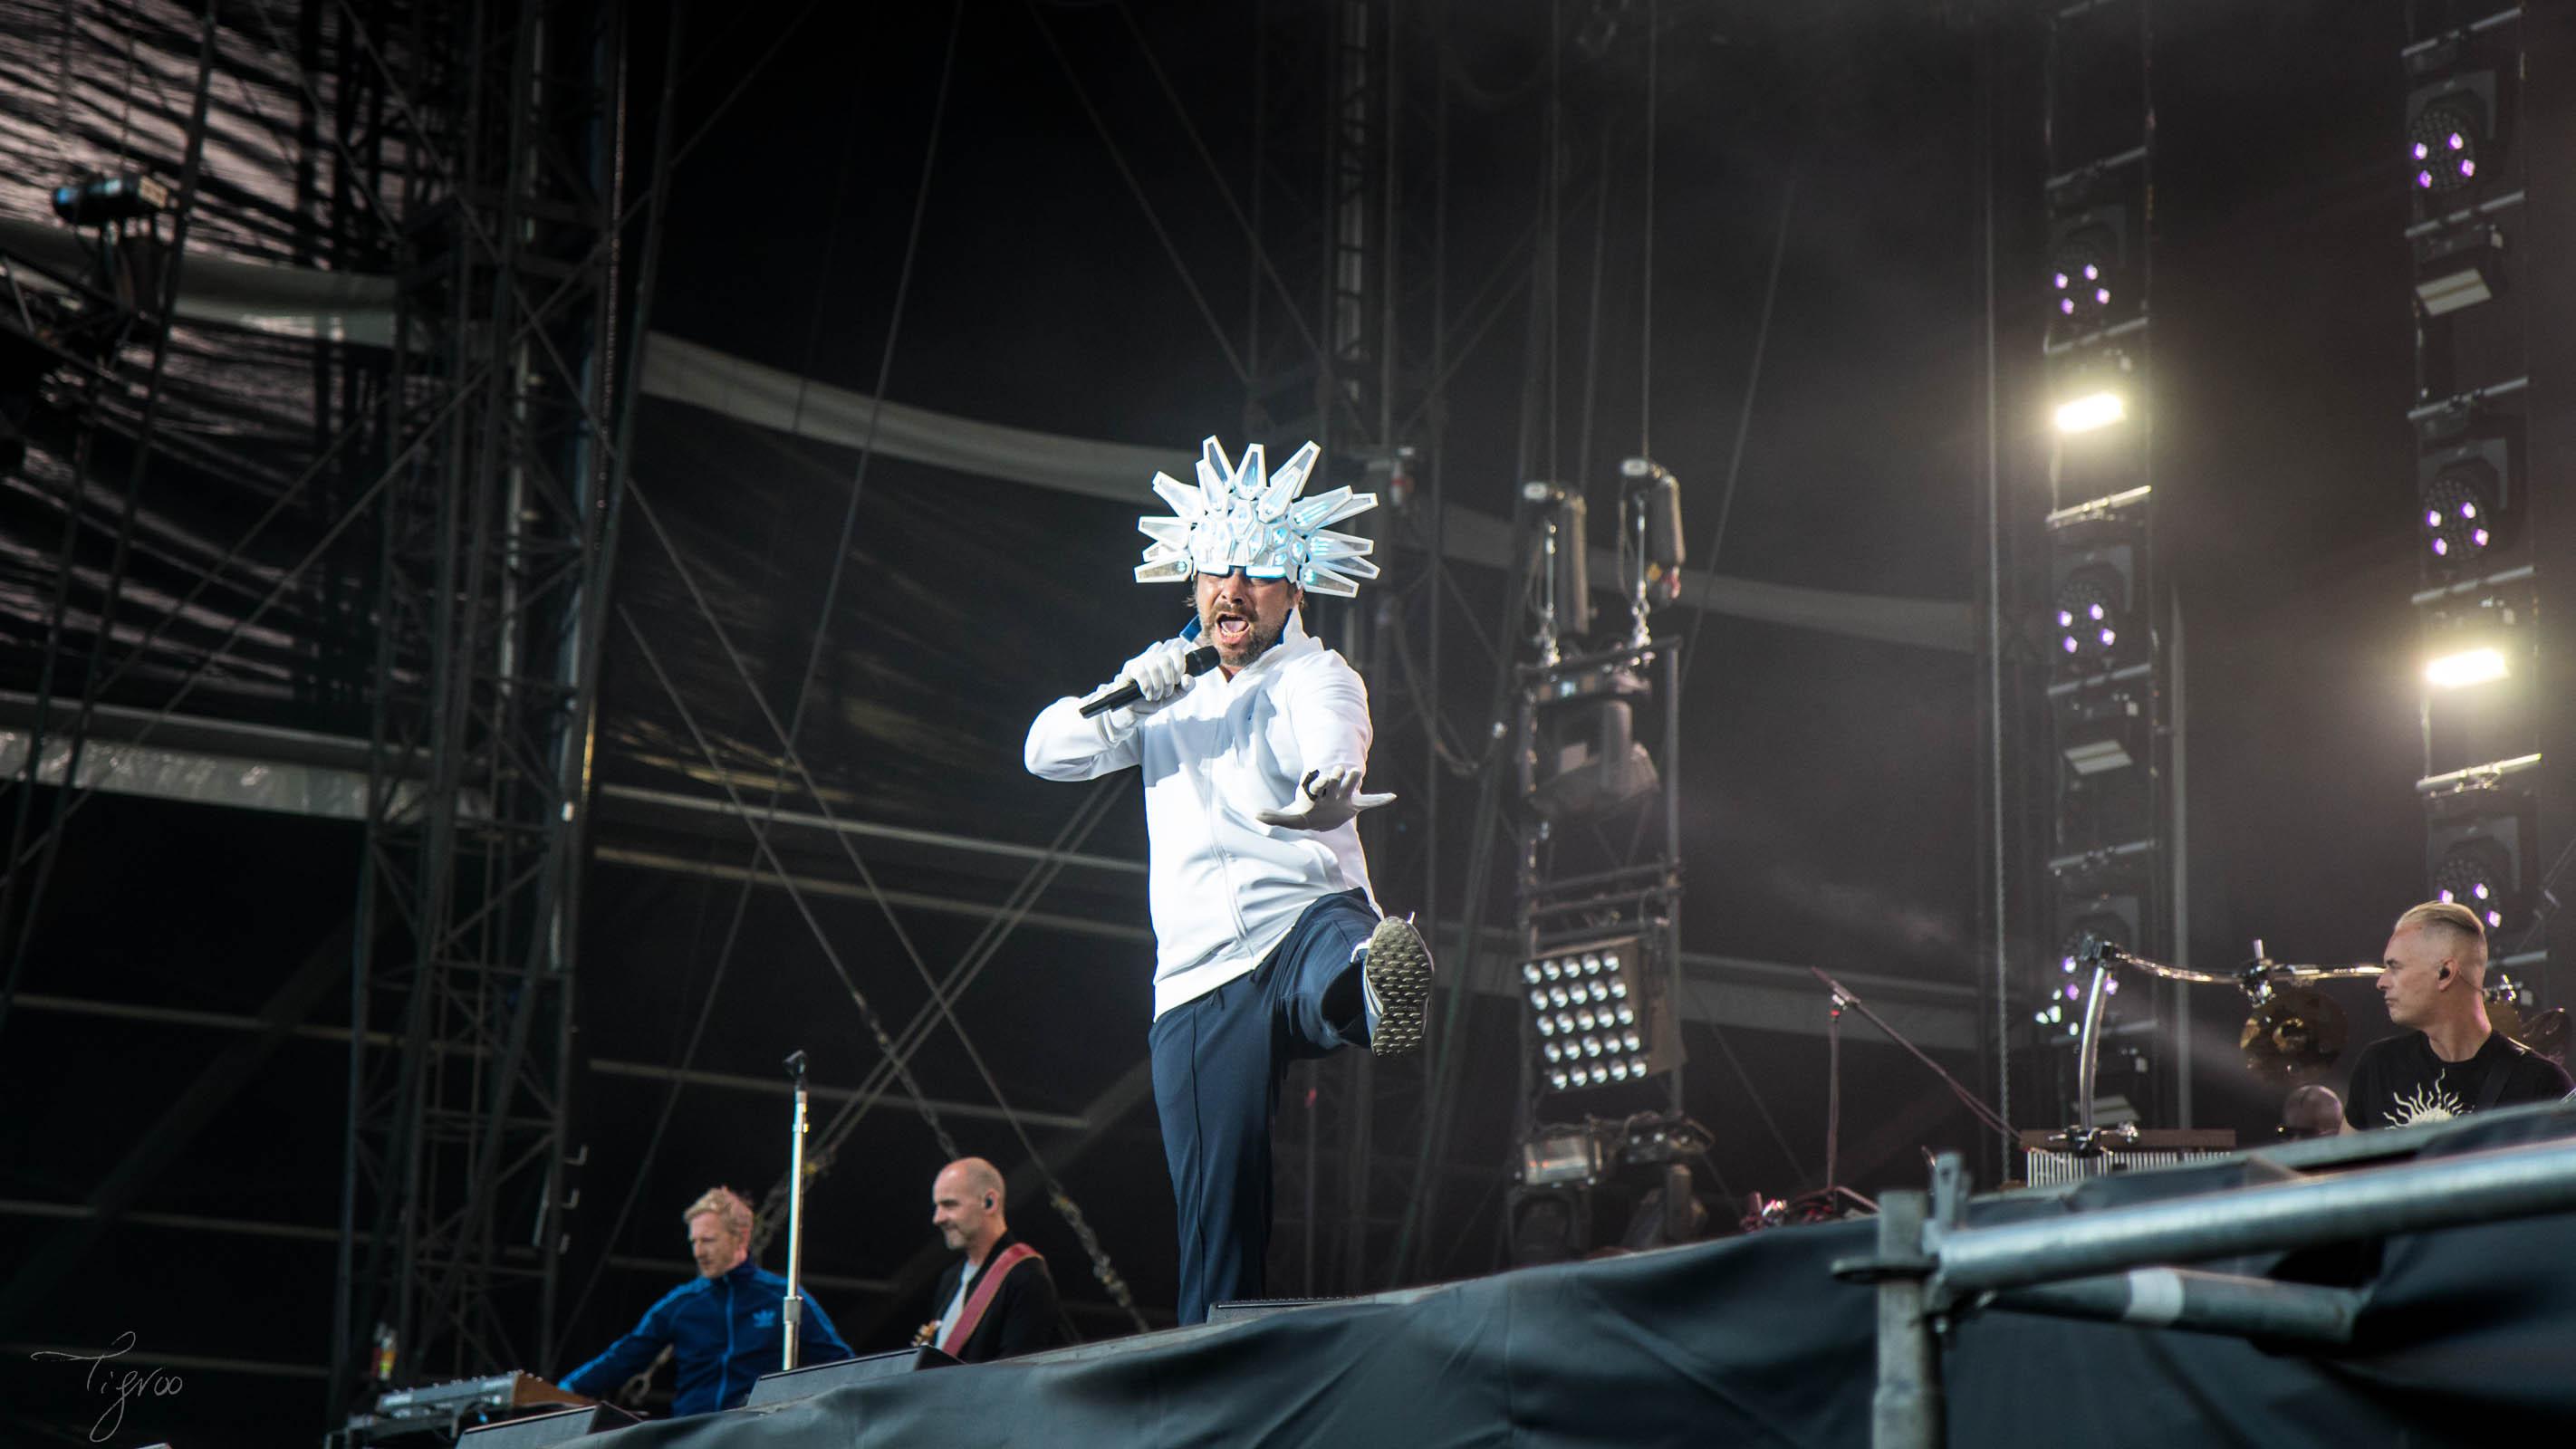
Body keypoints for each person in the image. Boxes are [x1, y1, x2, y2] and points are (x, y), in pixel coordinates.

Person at [1023, 436, 1434, 1325]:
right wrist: (1135, 694)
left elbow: (1335, 736)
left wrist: (1331, 784)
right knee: (1216, 1223)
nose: (1231, 588)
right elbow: (1043, 751)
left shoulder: (1317, 674)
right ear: (1193, 583)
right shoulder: (1164, 689)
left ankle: (1376, 990)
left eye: (1253, 571)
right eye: (1215, 570)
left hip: (1301, 919)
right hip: (1198, 981)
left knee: (1338, 954)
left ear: (1292, 588)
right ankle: (1216, 1369)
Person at [559, 1186, 851, 1415]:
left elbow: (840, 1363)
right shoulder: (682, 1303)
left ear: (741, 1237)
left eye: (708, 1240)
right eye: (694, 1242)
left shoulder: (781, 1296)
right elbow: (625, 1355)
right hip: (695, 1434)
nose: (698, 1252)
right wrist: (564, 1390)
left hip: (761, 1432)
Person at [2342, 901, 2572, 1130]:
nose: (2381, 982)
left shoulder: (2542, 1084)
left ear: (2445, 973)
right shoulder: (2377, 1065)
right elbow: (2344, 1164)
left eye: (2395, 967)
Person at [911, 1156, 1066, 1362]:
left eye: (949, 1205)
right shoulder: (950, 1278)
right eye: (937, 1206)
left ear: (989, 1202)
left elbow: (1018, 1374)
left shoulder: (1026, 1276)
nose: (937, 1218)